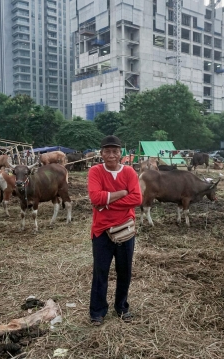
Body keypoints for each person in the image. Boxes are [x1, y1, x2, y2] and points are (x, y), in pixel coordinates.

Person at [87, 135, 142, 326]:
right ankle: (97, 311)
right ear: (101, 153)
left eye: (115, 151)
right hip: (102, 231)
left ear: (121, 153)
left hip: (125, 230)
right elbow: (95, 198)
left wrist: (107, 203)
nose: (111, 155)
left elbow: (137, 199)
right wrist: (122, 193)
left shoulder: (129, 172)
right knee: (100, 271)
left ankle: (122, 307)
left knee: (124, 271)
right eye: (107, 151)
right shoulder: (95, 171)